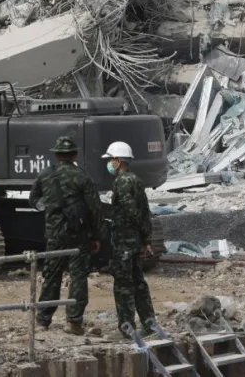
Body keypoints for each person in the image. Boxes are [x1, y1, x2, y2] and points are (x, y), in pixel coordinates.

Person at [29, 135, 103, 335]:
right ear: (74, 155)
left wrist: (48, 208)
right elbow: (95, 209)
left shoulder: (45, 175)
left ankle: (43, 321)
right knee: (78, 276)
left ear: (57, 155)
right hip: (78, 235)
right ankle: (73, 321)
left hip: (54, 234)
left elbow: (33, 198)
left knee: (51, 276)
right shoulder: (82, 176)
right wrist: (96, 236)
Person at [102, 141, 157, 340]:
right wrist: (146, 238)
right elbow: (145, 211)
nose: (109, 163)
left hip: (124, 242)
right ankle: (149, 322)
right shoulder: (136, 180)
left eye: (111, 159)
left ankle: (127, 327)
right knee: (139, 282)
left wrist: (141, 234)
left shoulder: (122, 182)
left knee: (123, 285)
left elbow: (132, 211)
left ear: (118, 161)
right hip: (134, 241)